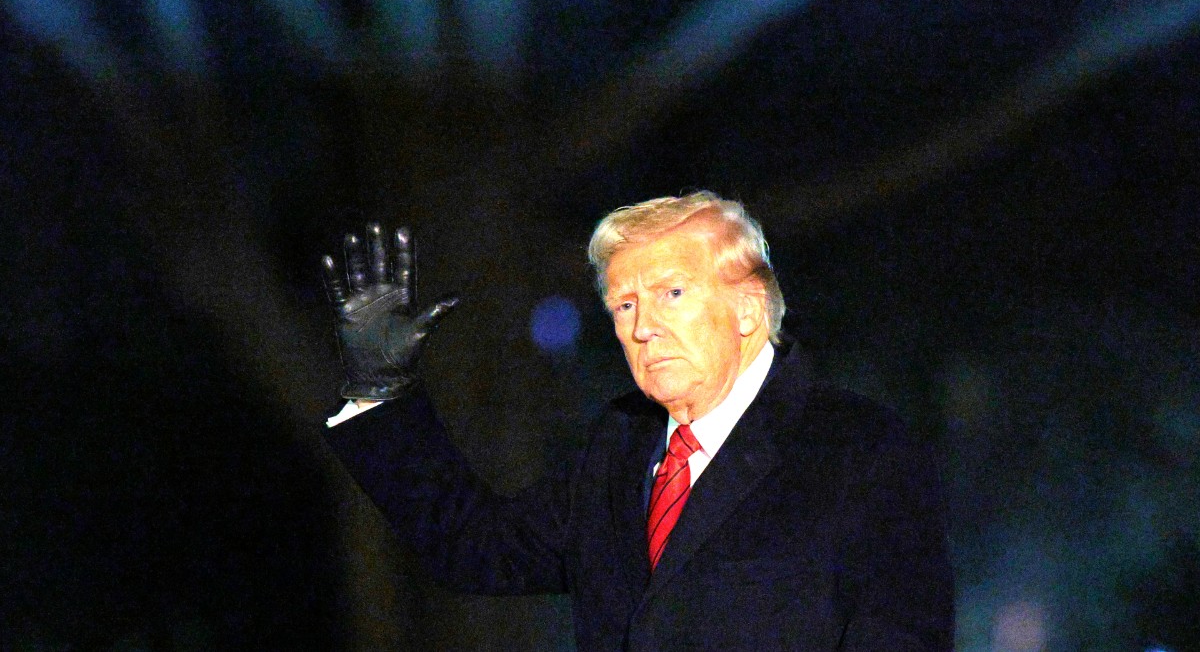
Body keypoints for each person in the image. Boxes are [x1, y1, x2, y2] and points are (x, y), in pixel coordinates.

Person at [319, 191, 954, 650]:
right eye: (624, 305)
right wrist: (381, 391)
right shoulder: (620, 444)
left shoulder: (860, 451)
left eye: (672, 293)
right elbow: (477, 549)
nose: (643, 327)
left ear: (748, 309)